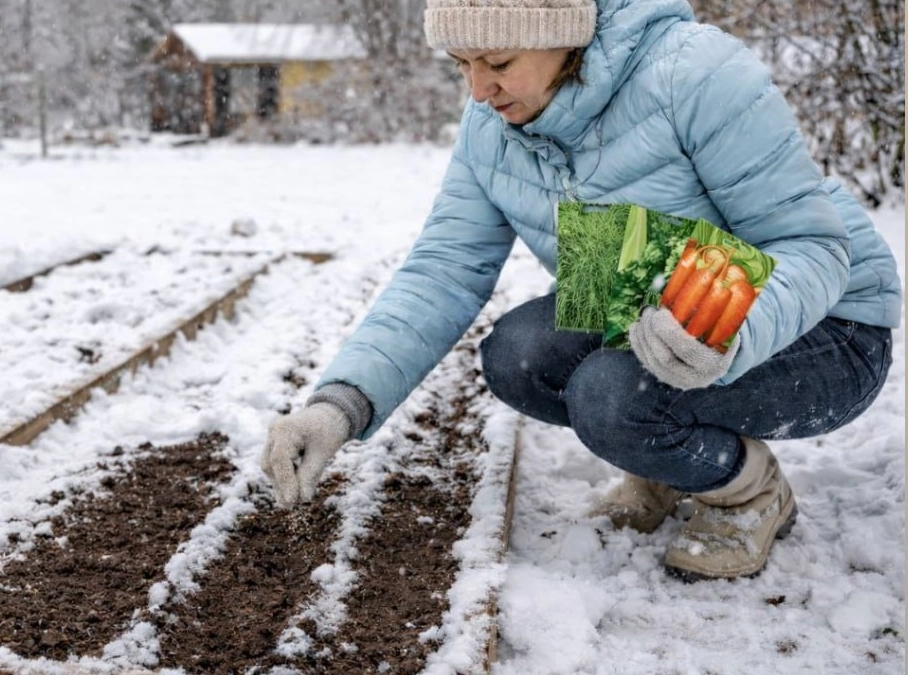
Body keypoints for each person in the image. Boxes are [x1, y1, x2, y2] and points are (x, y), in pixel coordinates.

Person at [261, 0, 901, 581]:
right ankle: (666, 463)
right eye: (461, 64)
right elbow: (443, 270)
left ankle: (749, 491)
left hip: (825, 325)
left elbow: (812, 247)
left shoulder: (693, 74)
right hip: (653, 302)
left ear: (564, 36)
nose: (478, 90)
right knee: (517, 355)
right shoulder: (492, 127)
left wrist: (725, 328)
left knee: (610, 398)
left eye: (498, 62)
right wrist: (341, 404)